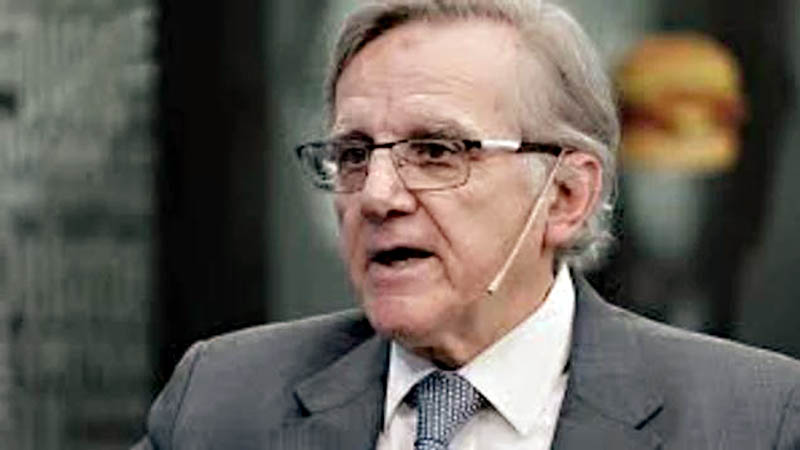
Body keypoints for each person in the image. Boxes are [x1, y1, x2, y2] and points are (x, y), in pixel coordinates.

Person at [133, 1, 800, 449]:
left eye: (436, 151)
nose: (378, 195)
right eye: (354, 154)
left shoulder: (755, 419)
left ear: (566, 195)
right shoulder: (219, 403)